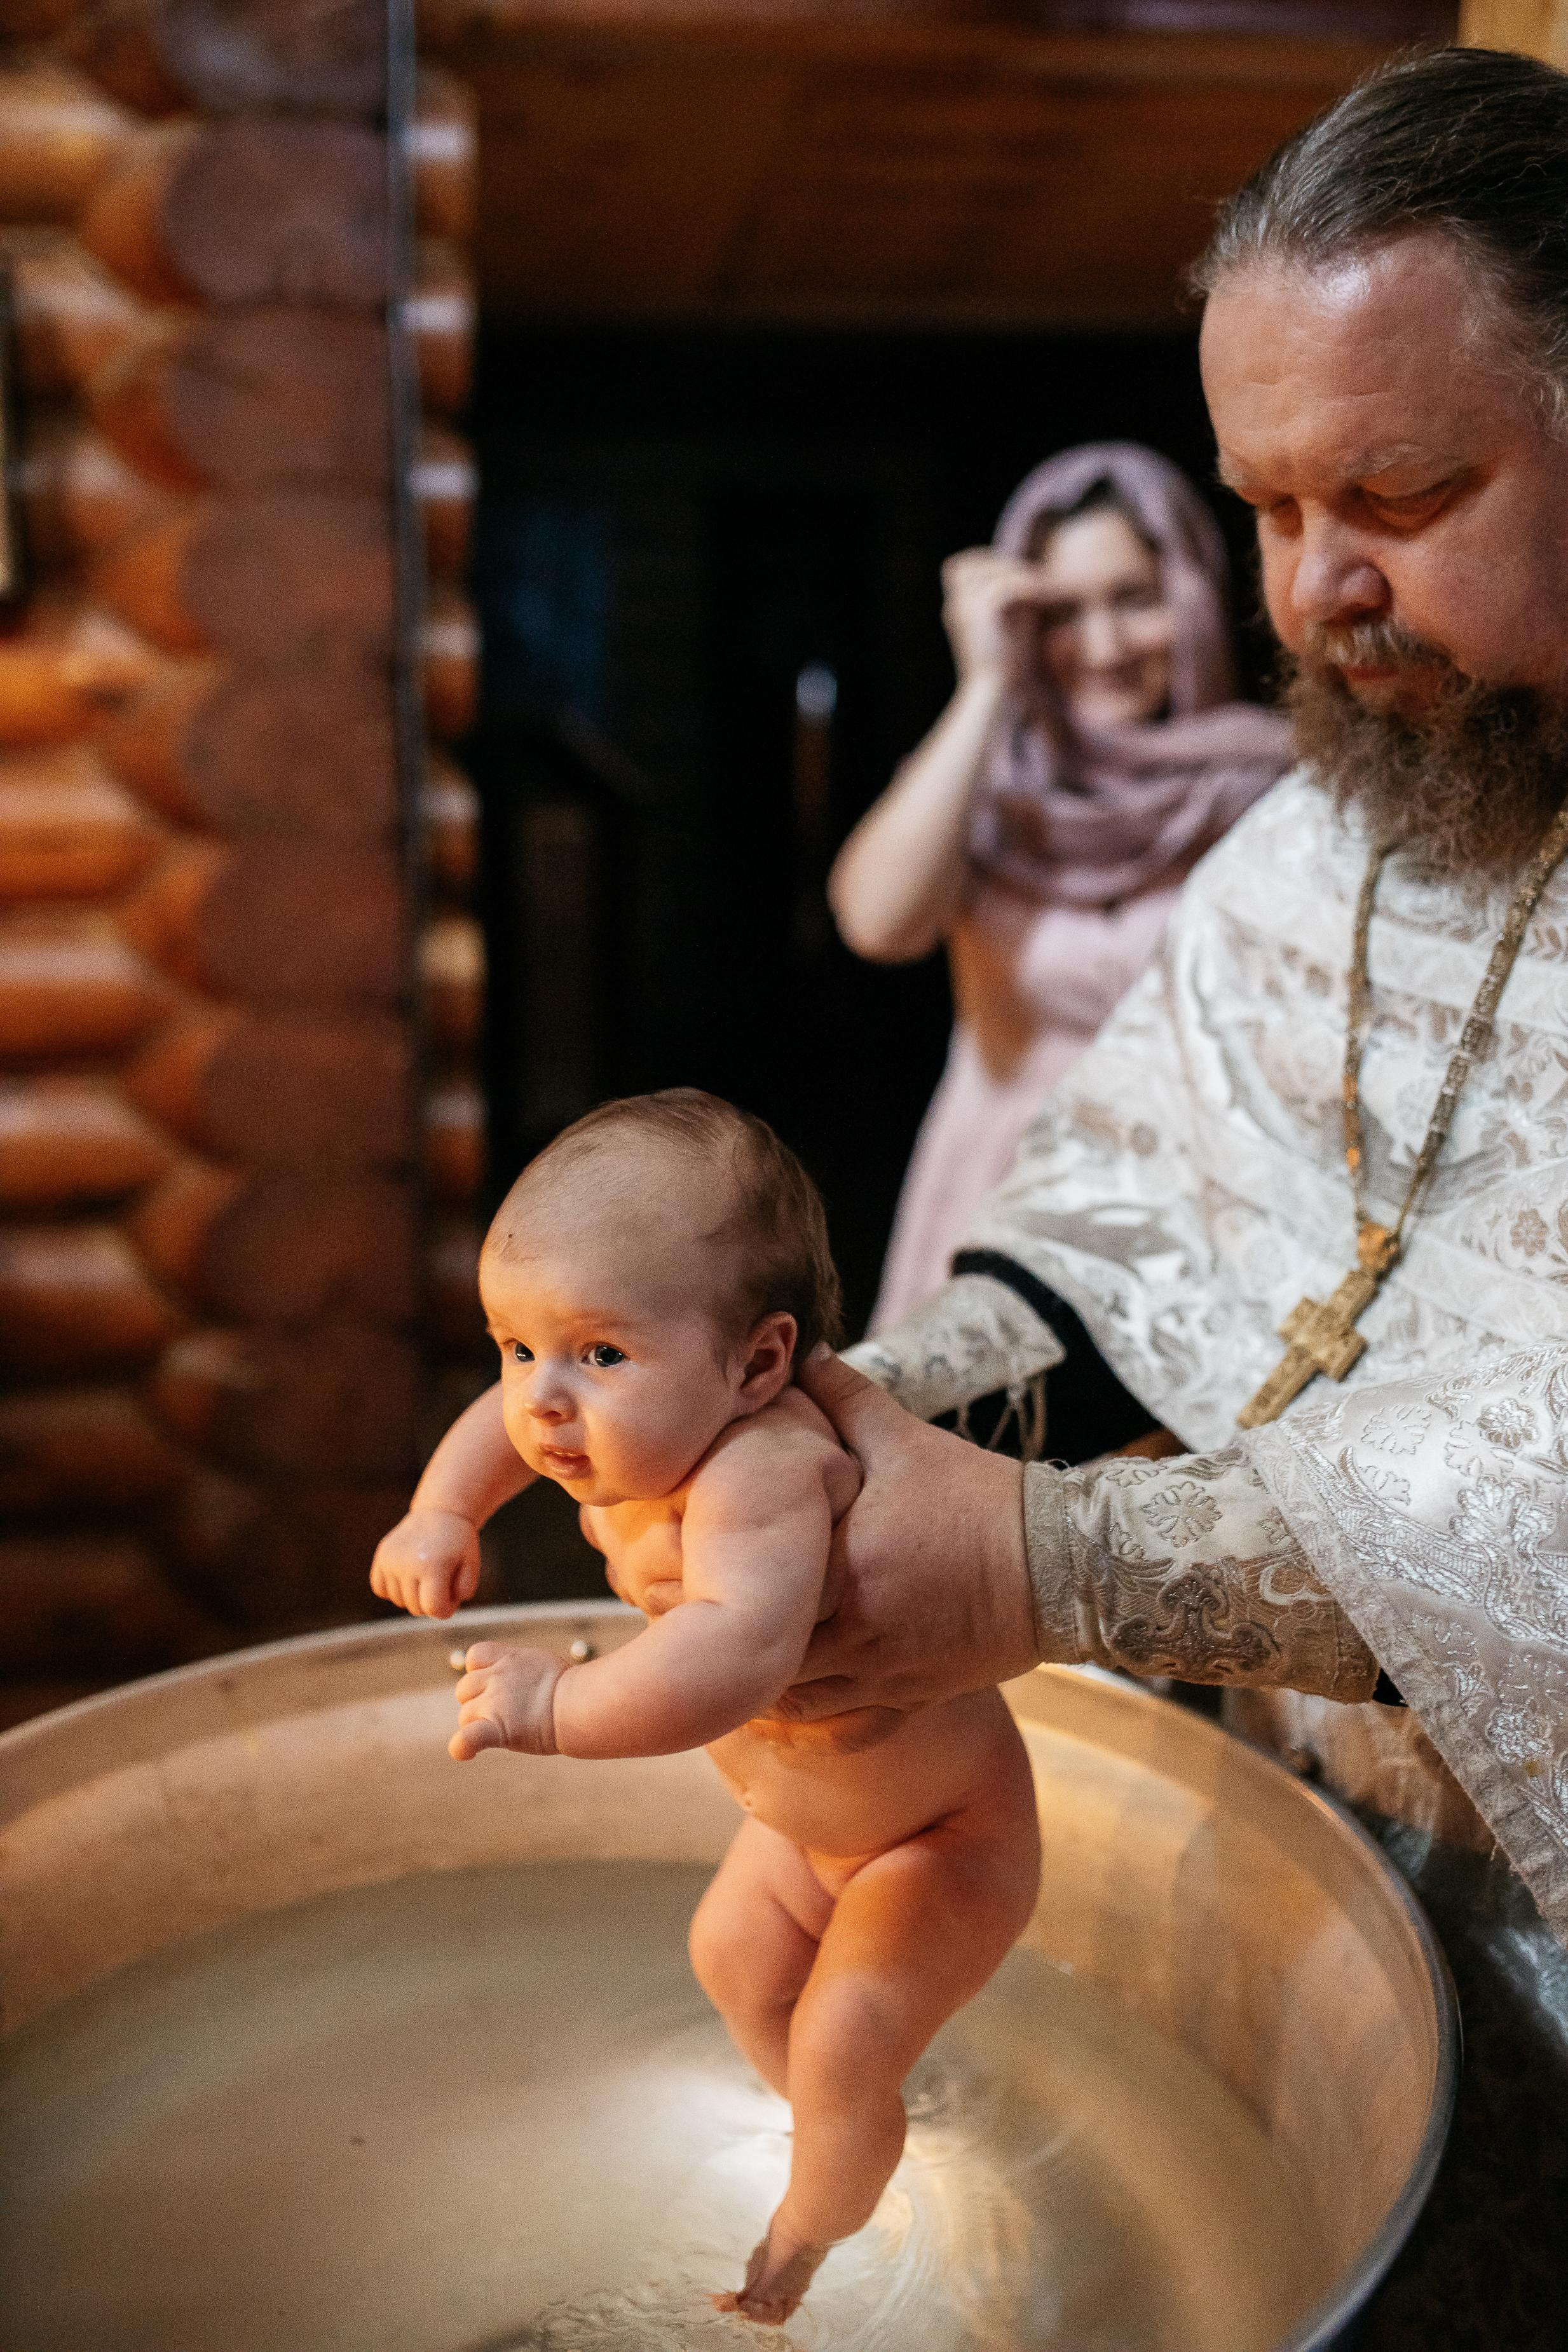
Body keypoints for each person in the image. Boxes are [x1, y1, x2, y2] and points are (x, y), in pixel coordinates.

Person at [558, 48, 1568, 2350]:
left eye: (1400, 493)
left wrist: (1048, 1559)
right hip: (1332, 1831)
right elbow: (1118, 1210)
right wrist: (848, 1422)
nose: (1316, 592)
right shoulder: (1315, 832)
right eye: (1265, 504)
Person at [370, 1090, 1040, 2328]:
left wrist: (558, 1702)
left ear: (760, 1360)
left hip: (933, 1834)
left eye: (597, 1352)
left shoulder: (764, 1469)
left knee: (842, 2029)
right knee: (730, 1958)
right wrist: (443, 1511)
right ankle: (846, 2134)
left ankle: (796, 2247)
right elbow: (498, 1431)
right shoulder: (612, 1422)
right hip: (807, 1823)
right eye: (516, 1347)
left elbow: (731, 1652)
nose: (540, 1401)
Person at [829, 442, 1292, 1333]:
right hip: (996, 1209)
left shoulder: (1274, 789)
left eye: (1136, 599)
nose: (1105, 647)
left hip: (1201, 1232)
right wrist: (988, 686)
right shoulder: (988, 787)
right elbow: (877, 924)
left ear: (1191, 596)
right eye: (1064, 614)